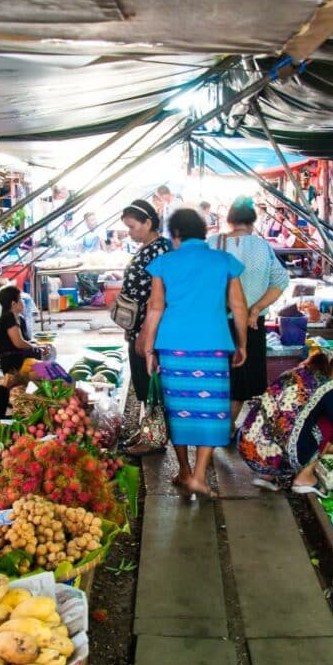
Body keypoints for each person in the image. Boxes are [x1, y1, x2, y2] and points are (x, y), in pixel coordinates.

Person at [143, 208, 248, 498]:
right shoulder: (224, 261)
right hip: (213, 347)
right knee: (210, 412)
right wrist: (242, 344)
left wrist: (149, 349)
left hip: (174, 347)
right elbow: (239, 307)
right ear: (202, 233)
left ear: (175, 234)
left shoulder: (163, 263)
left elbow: (155, 308)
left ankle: (185, 471)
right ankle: (199, 476)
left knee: (178, 411)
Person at [237, 350, 333, 496]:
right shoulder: (330, 387)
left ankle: (266, 475)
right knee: (327, 422)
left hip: (247, 447)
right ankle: (305, 478)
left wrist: (327, 447)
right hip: (287, 452)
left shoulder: (291, 374)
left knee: (282, 422)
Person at [211, 196, 290, 423]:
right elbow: (280, 281)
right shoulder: (262, 246)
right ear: (252, 220)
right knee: (241, 379)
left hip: (217, 323)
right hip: (251, 323)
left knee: (216, 377)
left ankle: (216, 426)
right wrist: (256, 308)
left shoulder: (213, 242)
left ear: (230, 219)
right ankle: (228, 427)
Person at [118, 199, 172, 410]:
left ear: (148, 223)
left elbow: (159, 297)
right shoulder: (148, 248)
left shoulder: (160, 250)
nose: (129, 232)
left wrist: (144, 334)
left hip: (149, 329)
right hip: (139, 327)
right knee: (142, 381)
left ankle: (154, 435)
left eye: (132, 227)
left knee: (151, 383)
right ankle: (148, 431)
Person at [0, 285, 65, 378]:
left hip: (24, 360)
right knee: (54, 374)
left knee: (55, 368)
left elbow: (26, 341)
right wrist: (37, 347)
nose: (23, 302)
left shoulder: (20, 319)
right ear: (13, 303)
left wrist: (40, 346)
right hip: (14, 365)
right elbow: (19, 343)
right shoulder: (8, 317)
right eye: (20, 299)